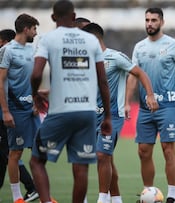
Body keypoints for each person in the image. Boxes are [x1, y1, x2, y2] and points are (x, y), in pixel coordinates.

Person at [29, 1, 112, 203]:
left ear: (53, 17)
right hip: (87, 112)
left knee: (36, 161)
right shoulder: (91, 41)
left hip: (60, 111)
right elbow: (103, 81)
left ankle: (47, 201)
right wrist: (108, 116)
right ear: (74, 16)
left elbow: (36, 74)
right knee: (81, 166)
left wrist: (35, 95)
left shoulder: (48, 39)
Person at [82, 22, 159, 203]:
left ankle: (102, 199)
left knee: (103, 155)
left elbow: (140, 73)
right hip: (91, 116)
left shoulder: (115, 57)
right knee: (104, 158)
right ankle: (116, 199)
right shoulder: (84, 60)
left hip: (113, 116)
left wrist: (150, 95)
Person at [126, 7, 175, 203]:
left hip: (168, 106)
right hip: (145, 109)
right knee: (143, 151)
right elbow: (134, 76)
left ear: (162, 22)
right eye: (147, 20)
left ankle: (171, 195)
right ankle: (148, 193)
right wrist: (127, 102)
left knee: (168, 149)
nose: (150, 24)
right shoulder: (139, 47)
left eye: (154, 20)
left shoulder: (173, 45)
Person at [0, 14, 40, 203]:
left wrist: (35, 99)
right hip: (14, 109)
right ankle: (17, 197)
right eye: (34, 29)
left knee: (40, 151)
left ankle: (43, 194)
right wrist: (6, 111)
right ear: (26, 29)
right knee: (15, 153)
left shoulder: (31, 49)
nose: (36, 33)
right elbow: (0, 82)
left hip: (30, 109)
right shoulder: (7, 50)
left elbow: (30, 79)